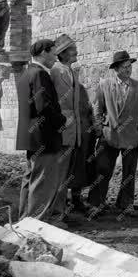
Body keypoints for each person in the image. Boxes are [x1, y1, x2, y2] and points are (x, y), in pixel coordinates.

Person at [87, 50, 138, 217]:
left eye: (129, 66)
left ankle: (125, 204)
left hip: (131, 135)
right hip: (109, 134)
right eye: (124, 67)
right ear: (116, 69)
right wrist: (100, 128)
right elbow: (97, 109)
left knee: (129, 172)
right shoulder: (105, 85)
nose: (128, 70)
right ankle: (96, 203)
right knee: (103, 169)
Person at [16, 40, 66, 221]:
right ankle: (36, 225)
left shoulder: (26, 73)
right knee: (42, 182)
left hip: (33, 138)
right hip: (44, 137)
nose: (55, 58)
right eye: (53, 53)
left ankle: (23, 220)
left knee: (30, 179)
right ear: (43, 53)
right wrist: (62, 120)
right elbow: (43, 106)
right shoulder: (39, 74)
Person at [50, 34, 92, 216]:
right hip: (62, 129)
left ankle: (63, 209)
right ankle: (56, 212)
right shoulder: (56, 71)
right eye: (73, 49)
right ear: (64, 53)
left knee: (70, 171)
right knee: (59, 173)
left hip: (74, 131)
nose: (77, 52)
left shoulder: (71, 72)